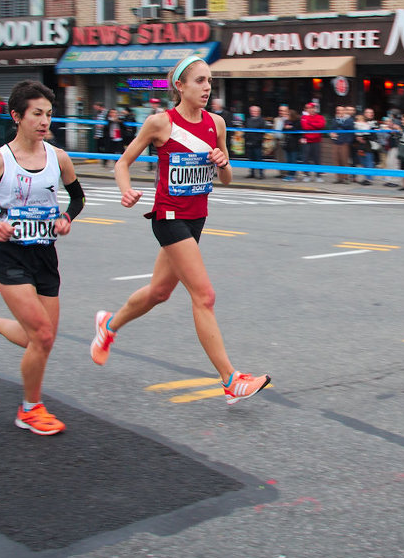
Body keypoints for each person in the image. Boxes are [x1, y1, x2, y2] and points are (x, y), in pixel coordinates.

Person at [89, 55, 270, 405]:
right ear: (180, 86)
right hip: (168, 217)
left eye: (209, 81)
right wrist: (126, 189)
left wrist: (223, 162)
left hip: (196, 218)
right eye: (200, 81)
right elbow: (122, 163)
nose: (207, 88)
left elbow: (228, 179)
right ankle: (230, 380)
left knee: (159, 292)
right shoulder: (160, 123)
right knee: (204, 296)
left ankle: (108, 325)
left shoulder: (216, 123)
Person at [0, 80, 86, 435]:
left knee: (40, 339)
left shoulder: (58, 158)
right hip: (9, 257)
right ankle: (30, 408)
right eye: (37, 114)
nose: (44, 121)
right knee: (40, 334)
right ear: (17, 116)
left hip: (45, 255)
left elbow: (78, 198)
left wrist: (66, 218)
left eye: (49, 115)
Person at [299, 101, 326, 182]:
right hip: (307, 141)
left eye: (312, 108)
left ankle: (318, 175)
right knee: (306, 158)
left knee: (317, 158)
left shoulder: (320, 117)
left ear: (315, 109)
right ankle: (306, 175)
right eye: (309, 108)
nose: (311, 110)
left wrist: (310, 123)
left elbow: (321, 125)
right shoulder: (304, 117)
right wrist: (314, 125)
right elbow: (305, 127)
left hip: (316, 140)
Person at [331, 105, 355, 183]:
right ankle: (338, 178)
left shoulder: (349, 119)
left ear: (344, 111)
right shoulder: (334, 119)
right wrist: (331, 134)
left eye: (341, 110)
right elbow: (332, 129)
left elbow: (350, 130)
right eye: (337, 110)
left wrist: (348, 141)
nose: (339, 112)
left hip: (344, 142)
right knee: (336, 160)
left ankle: (345, 178)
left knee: (344, 160)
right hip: (336, 142)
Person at [244, 104, 267, 179]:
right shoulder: (248, 120)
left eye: (255, 111)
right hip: (249, 142)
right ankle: (252, 173)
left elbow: (263, 132)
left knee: (259, 158)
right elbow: (245, 130)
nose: (253, 112)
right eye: (252, 111)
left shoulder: (261, 121)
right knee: (251, 158)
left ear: (258, 112)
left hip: (257, 143)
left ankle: (261, 173)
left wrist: (258, 140)